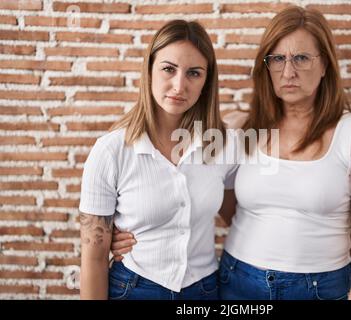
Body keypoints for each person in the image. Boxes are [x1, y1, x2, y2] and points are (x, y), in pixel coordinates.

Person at [111, 6, 351, 300]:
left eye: (301, 58)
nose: (288, 72)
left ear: (325, 64)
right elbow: (192, 194)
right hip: (236, 282)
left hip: (319, 288)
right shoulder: (239, 130)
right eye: (277, 59)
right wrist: (128, 233)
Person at [79, 20, 238, 300]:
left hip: (204, 290)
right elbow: (93, 259)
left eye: (194, 73)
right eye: (168, 69)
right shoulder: (110, 151)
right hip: (134, 288)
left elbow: (242, 215)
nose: (179, 85)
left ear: (206, 82)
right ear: (149, 70)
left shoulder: (222, 144)